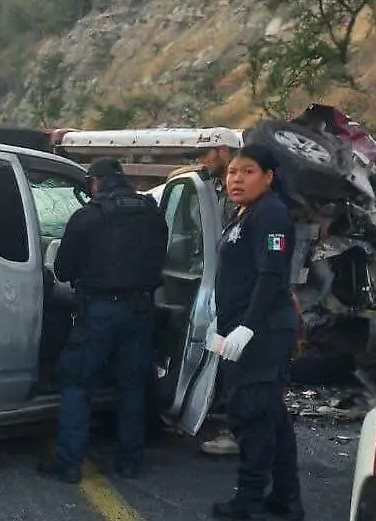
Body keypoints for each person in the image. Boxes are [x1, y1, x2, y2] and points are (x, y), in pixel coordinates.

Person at [40, 157, 169, 483]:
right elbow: (160, 260)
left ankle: (69, 463)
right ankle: (130, 462)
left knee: (78, 383)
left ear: (95, 183)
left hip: (99, 311)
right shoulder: (152, 212)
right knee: (131, 386)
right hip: (140, 311)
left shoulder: (88, 217)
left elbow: (63, 271)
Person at [207, 144, 304, 521]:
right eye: (232, 172)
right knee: (272, 416)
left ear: (268, 177)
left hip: (261, 334)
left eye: (247, 172)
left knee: (251, 415)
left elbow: (271, 275)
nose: (236, 179)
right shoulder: (247, 214)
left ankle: (247, 502)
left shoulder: (271, 215)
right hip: (244, 329)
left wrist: (248, 326)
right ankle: (285, 497)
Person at [185, 137, 244, 458]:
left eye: (205, 154)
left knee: (242, 367)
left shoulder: (246, 198)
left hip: (242, 295)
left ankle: (239, 432)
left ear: (223, 151)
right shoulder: (216, 191)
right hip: (221, 288)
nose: (202, 161)